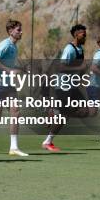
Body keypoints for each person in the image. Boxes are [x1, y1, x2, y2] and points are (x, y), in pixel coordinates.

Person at [41, 24, 90, 152]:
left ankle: (54, 112)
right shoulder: (69, 49)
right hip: (63, 86)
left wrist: (83, 73)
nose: (85, 36)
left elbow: (78, 70)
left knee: (85, 111)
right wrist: (79, 68)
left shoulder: (80, 50)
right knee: (67, 114)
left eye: (85, 34)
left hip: (72, 86)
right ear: (76, 35)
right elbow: (61, 67)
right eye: (83, 34)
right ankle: (48, 141)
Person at [0, 19, 28, 156]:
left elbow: (10, 68)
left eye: (20, 29)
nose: (21, 32)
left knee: (16, 111)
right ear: (10, 31)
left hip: (8, 85)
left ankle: (14, 148)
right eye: (18, 30)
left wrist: (20, 69)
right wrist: (8, 71)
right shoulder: (5, 45)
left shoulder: (14, 46)